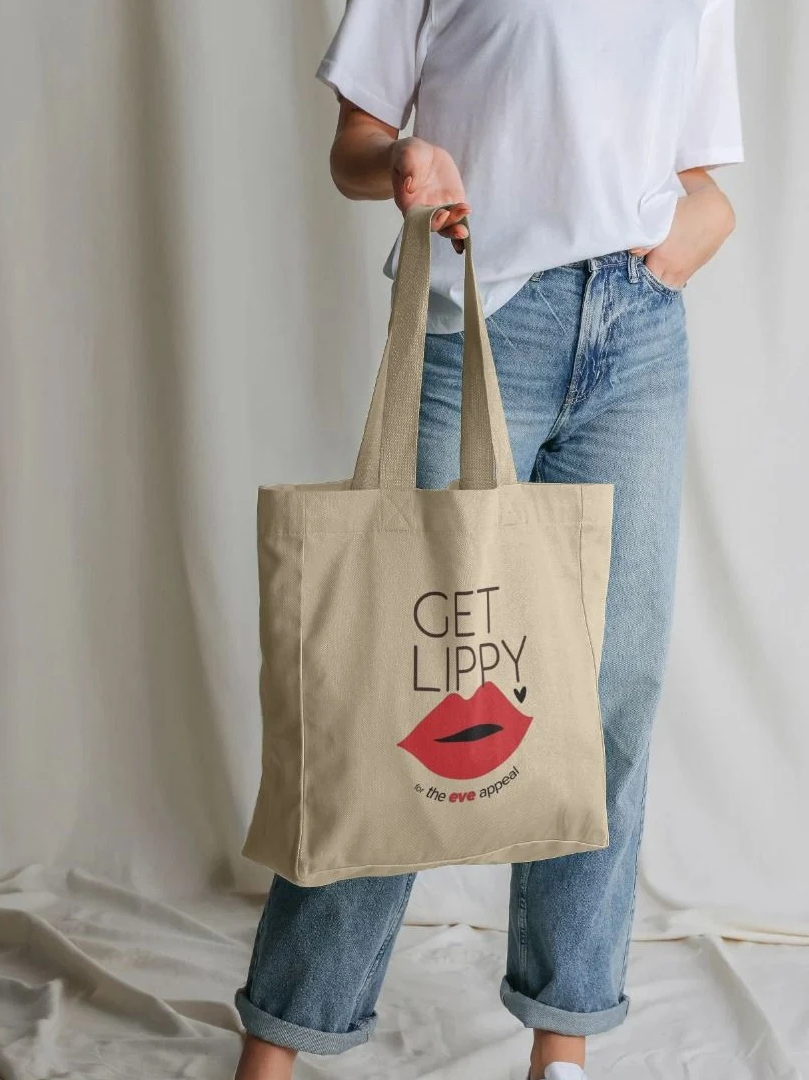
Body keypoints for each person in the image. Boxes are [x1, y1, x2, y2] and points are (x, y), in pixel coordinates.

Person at [234, 1, 743, 1077]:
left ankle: (563, 1047)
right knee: (397, 685)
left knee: (610, 690)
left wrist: (700, 225)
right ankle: (280, 1046)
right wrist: (402, 164)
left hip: (639, 331)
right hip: (479, 314)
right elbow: (357, 143)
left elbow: (690, 163)